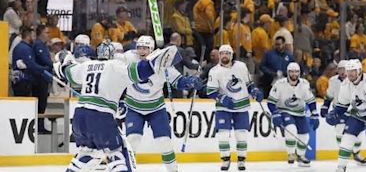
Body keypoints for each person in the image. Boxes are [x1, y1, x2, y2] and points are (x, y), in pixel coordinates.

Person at [58, 40, 180, 172]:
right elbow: (139, 72)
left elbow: (67, 73)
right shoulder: (115, 66)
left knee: (86, 153)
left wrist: (66, 60)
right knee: (117, 155)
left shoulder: (87, 65)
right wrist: (156, 62)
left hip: (79, 116)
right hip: (101, 115)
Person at [124, 36, 203, 172]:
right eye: (139, 48)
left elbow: (178, 81)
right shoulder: (129, 58)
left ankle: (173, 170)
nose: (142, 51)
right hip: (134, 107)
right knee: (132, 140)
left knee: (164, 142)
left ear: (152, 49)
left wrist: (190, 81)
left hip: (156, 108)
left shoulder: (161, 62)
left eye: (145, 48)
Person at [206, 44, 263, 171]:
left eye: (227, 53)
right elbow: (210, 91)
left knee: (241, 134)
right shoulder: (214, 71)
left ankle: (241, 160)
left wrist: (254, 91)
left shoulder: (241, 67)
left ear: (231, 55)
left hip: (241, 106)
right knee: (223, 134)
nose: (224, 55)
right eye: (222, 53)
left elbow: (249, 84)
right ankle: (225, 159)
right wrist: (223, 99)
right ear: (219, 55)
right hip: (223, 108)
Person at [326, 59, 366, 172]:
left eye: (353, 71)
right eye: (348, 71)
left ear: (359, 71)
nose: (350, 74)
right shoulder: (345, 84)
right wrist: (334, 113)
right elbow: (342, 105)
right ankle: (341, 167)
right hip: (357, 114)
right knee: (347, 139)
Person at [267, 62, 319, 167]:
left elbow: (311, 101)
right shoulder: (279, 84)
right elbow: (271, 102)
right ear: (288, 72)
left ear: (299, 73)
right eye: (292, 72)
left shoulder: (304, 84)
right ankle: (291, 153)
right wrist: (275, 114)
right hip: (284, 111)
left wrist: (315, 114)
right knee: (291, 129)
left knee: (305, 136)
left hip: (300, 113)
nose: (294, 74)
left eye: (296, 72)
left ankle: (300, 155)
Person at [320, 60, 366, 165]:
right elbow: (329, 95)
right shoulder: (333, 80)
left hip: (354, 112)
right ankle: (343, 153)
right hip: (340, 110)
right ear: (337, 70)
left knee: (359, 135)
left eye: (344, 69)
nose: (343, 72)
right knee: (339, 131)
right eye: (340, 69)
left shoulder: (356, 80)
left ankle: (356, 153)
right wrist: (325, 106)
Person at [32, 25, 53, 133]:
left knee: (43, 103)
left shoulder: (44, 45)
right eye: (46, 32)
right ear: (40, 33)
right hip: (39, 79)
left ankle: (40, 125)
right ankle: (38, 126)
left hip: (44, 78)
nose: (48, 35)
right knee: (40, 103)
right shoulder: (38, 45)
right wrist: (54, 64)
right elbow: (44, 59)